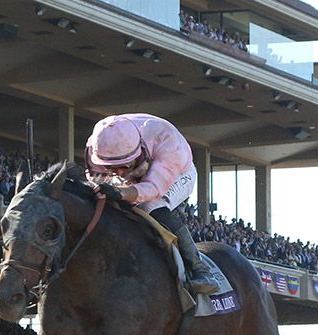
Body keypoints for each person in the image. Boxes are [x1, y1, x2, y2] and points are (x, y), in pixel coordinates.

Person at [85, 114, 218, 295]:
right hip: (138, 176)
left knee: (149, 206)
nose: (118, 172)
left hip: (178, 174)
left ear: (138, 150)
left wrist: (119, 192)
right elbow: (95, 180)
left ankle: (199, 269)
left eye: (123, 166)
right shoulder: (98, 146)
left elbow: (151, 190)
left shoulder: (167, 143)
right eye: (111, 168)